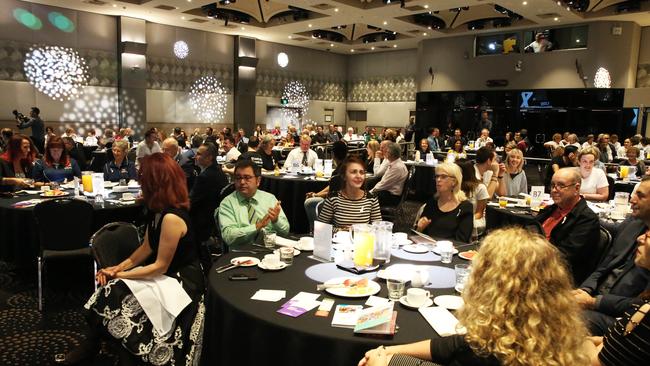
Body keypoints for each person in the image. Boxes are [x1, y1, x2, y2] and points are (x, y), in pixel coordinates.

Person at [359, 227, 589, 366]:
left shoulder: (498, 354)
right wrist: (390, 351)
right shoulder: (535, 331)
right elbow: (462, 344)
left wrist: (385, 362)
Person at [61, 153, 205, 365]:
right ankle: (101, 348)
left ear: (156, 183)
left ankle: (101, 350)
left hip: (182, 280)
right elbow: (145, 249)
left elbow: (159, 266)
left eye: (143, 178)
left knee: (115, 290)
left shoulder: (172, 217)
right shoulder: (157, 211)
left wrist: (120, 274)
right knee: (113, 289)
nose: (139, 181)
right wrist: (115, 268)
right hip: (165, 274)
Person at [588, 229, 650, 366]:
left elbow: (596, 362)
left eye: (648, 236)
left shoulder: (646, 312)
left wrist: (583, 342)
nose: (639, 239)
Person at [536, 168, 600, 284]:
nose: (554, 190)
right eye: (553, 185)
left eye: (560, 186)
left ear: (576, 188)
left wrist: (531, 253)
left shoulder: (586, 219)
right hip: (533, 262)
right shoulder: (550, 209)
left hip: (555, 275)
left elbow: (564, 257)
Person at [218, 160, 289, 247]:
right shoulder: (227, 203)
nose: (242, 182)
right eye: (238, 178)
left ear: (258, 180)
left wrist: (275, 221)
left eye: (247, 178)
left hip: (270, 250)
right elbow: (228, 237)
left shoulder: (269, 198)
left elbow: (285, 232)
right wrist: (257, 226)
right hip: (241, 254)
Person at [317, 156, 381, 230]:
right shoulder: (333, 198)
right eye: (353, 172)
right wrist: (342, 230)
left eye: (362, 172)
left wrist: (359, 230)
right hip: (339, 240)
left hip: (363, 240)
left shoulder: (371, 199)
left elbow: (378, 229)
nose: (358, 176)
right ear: (344, 176)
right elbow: (320, 229)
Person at [415, 162, 473, 242]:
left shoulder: (465, 207)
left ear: (454, 182)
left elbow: (461, 241)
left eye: (443, 177)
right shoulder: (432, 203)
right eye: (437, 176)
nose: (438, 180)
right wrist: (420, 228)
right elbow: (419, 235)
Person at [305, 141, 349, 231]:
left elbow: (331, 193)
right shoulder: (344, 167)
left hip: (339, 201)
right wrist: (316, 194)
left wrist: (315, 195)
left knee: (309, 203)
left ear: (333, 154)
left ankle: (316, 231)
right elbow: (331, 186)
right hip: (341, 199)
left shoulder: (339, 172)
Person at [190, 142, 228, 243]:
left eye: (199, 154)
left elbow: (192, 202)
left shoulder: (204, 177)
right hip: (215, 216)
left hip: (204, 220)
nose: (195, 156)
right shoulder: (220, 172)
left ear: (209, 158)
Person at [369, 142, 408, 207]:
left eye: (386, 151)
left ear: (391, 154)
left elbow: (383, 184)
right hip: (389, 192)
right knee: (370, 183)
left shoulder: (397, 167)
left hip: (392, 197)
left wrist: (370, 192)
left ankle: (364, 213)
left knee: (367, 197)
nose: (384, 153)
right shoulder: (395, 163)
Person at [457, 160, 489, 237]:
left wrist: (465, 220)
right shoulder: (453, 186)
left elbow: (479, 213)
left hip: (474, 218)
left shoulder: (480, 188)